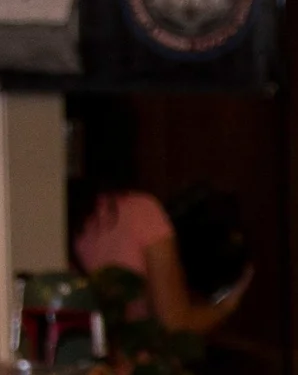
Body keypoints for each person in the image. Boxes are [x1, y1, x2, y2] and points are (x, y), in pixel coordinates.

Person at [70, 97, 250, 335]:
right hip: (133, 359)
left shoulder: (57, 213)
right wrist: (226, 305)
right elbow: (174, 324)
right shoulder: (140, 213)